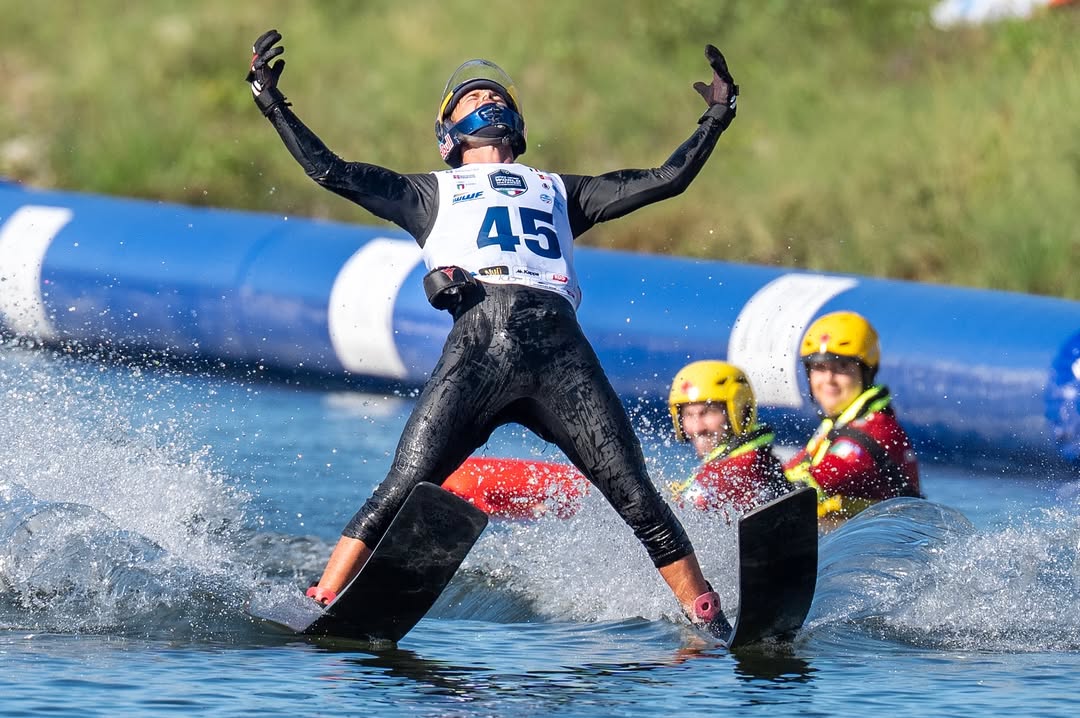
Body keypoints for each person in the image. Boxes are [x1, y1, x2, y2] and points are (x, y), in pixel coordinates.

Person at [247, 30, 740, 634]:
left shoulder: (563, 190)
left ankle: (703, 608)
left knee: (636, 495)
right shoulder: (428, 192)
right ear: (449, 136)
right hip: (479, 350)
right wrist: (272, 102)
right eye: (471, 98)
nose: (485, 99)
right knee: (403, 485)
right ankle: (325, 594)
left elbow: (666, 178)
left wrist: (715, 117)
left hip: (560, 354)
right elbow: (331, 171)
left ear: (516, 126)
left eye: (493, 95)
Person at [784, 311, 922, 527]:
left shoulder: (876, 429)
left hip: (883, 551)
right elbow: (794, 469)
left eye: (842, 367)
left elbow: (825, 476)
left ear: (866, 373)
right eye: (819, 368)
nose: (828, 379)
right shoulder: (834, 426)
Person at [667, 360, 789, 517]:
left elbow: (686, 513)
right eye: (688, 415)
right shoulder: (748, 459)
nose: (697, 428)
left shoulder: (743, 465)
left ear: (740, 412)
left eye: (708, 412)